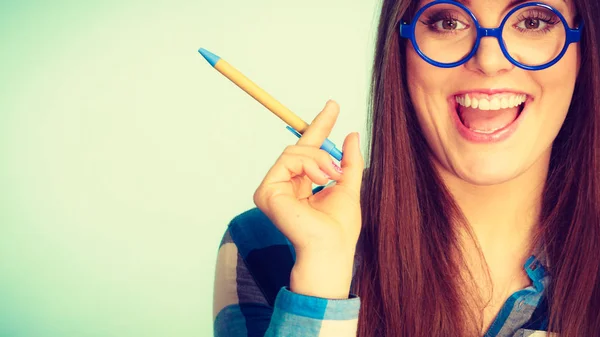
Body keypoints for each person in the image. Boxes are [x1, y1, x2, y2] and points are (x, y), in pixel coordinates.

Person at [213, 0, 600, 335]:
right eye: (448, 21)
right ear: (401, 49)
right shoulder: (266, 243)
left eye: (532, 20)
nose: (489, 59)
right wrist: (319, 285)